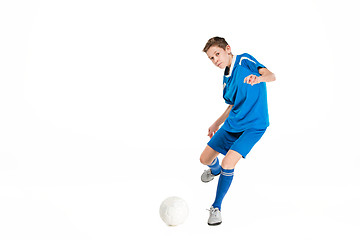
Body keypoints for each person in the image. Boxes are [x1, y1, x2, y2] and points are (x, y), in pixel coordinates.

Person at [200, 37, 276, 225]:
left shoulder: (244, 60)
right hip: (233, 124)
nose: (215, 59)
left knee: (228, 163)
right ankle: (214, 170)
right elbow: (232, 105)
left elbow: (271, 75)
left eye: (217, 54)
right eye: (211, 58)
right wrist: (216, 123)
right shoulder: (225, 80)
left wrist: (258, 78)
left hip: (254, 126)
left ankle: (216, 207)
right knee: (204, 159)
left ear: (228, 49)